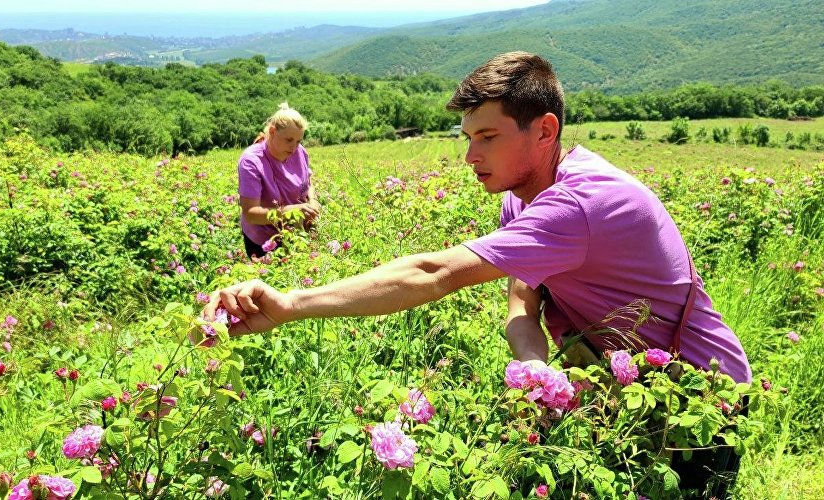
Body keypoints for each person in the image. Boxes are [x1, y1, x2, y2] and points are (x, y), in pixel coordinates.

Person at [206, 52, 751, 498]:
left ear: (545, 130)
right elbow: (521, 302)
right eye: (466, 137)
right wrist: (537, 368)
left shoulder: (580, 202)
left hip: (702, 394)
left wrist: (291, 305)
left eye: (487, 137)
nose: (470, 155)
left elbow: (434, 272)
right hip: (626, 386)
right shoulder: (523, 199)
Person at [237, 103, 320, 258]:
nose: (294, 147)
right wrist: (290, 211)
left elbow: (308, 182)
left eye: (298, 141)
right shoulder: (251, 161)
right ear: (273, 132)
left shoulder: (299, 152)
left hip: (296, 233)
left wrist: (313, 200)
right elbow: (251, 214)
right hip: (264, 240)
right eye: (289, 140)